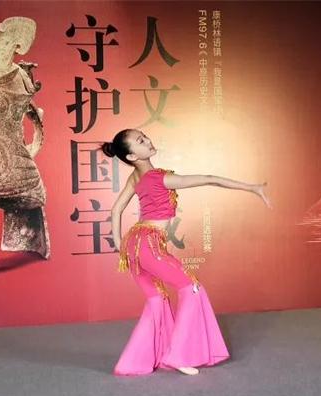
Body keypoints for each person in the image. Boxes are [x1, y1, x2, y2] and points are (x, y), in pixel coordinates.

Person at [101, 128, 272, 376]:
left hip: (134, 244)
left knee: (157, 300)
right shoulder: (161, 178)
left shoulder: (135, 178)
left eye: (145, 136)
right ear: (131, 156)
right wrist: (252, 187)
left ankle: (134, 363)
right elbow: (209, 178)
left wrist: (120, 246)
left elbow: (116, 210)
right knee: (192, 288)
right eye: (140, 141)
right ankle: (179, 356)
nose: (148, 141)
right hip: (149, 244)